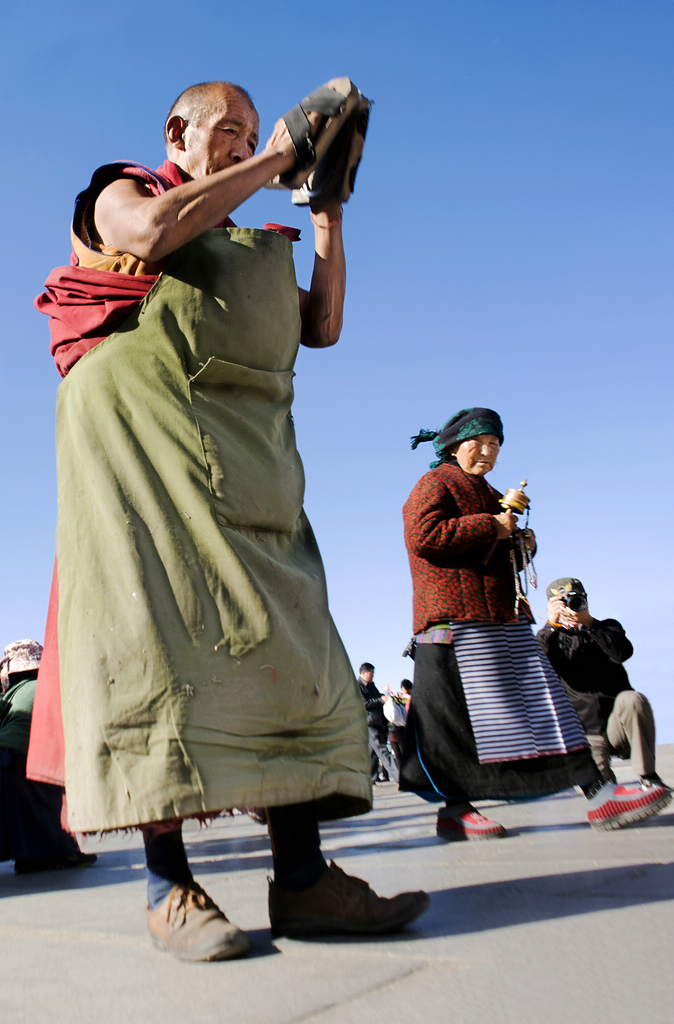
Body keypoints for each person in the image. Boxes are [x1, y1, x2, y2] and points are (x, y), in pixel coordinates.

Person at [31, 79, 428, 961]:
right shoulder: (121, 189)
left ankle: (305, 882)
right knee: (153, 651)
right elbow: (146, 235)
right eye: (232, 131)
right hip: (140, 468)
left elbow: (319, 325)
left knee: (288, 645)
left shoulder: (252, 237)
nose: (246, 144)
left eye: (256, 132)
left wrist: (324, 213)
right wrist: (281, 152)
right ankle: (169, 888)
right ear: (178, 130)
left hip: (248, 472)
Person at [400, 407, 669, 839]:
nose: (488, 452)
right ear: (454, 445)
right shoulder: (436, 482)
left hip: (499, 620)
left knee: (544, 708)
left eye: (495, 445)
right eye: (480, 443)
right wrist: (491, 525)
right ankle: (455, 811)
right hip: (455, 625)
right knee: (456, 724)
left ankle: (600, 795)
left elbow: (492, 543)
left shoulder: (485, 490)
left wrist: (520, 541)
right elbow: (424, 536)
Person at [537, 578, 671, 805]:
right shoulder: (552, 638)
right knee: (604, 796)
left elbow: (622, 653)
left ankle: (648, 777)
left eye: (575, 599)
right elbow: (536, 665)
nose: (571, 605)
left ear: (586, 599)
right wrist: (551, 624)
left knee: (632, 699)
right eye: (562, 602)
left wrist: (590, 624)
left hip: (618, 727)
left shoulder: (608, 626)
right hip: (585, 736)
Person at [0, 640, 96, 873]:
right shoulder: (51, 687)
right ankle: (49, 854)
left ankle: (31, 855)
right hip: (20, 759)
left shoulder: (12, 696)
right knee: (44, 804)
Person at [357, 663, 398, 783]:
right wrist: (381, 700)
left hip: (378, 722)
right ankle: (400, 777)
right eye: (371, 673)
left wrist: (386, 697)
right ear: (363, 673)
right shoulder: (357, 686)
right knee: (382, 750)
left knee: (373, 752)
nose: (373, 676)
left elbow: (375, 698)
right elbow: (363, 703)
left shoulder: (371, 686)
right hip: (368, 722)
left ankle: (372, 778)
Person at [387, 680, 412, 764]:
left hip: (398, 731)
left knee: (400, 756)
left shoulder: (406, 699)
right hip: (400, 731)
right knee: (401, 755)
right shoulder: (400, 700)